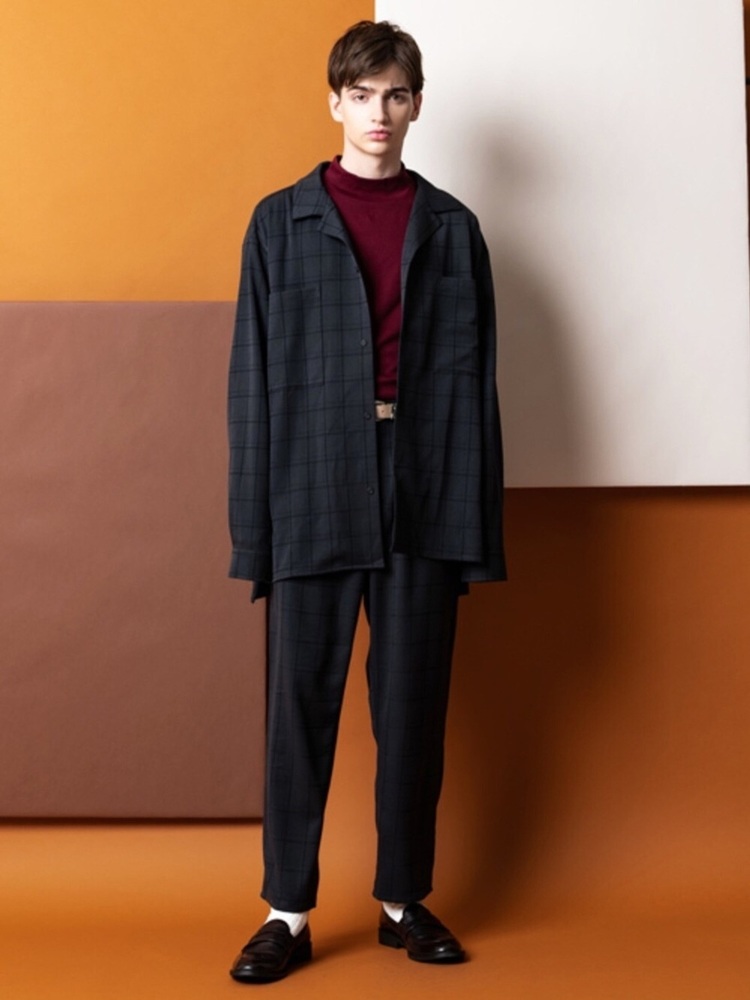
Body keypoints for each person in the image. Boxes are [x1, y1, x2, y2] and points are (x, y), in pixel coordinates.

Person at [226, 19, 505, 983]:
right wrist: (255, 532)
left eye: (395, 95)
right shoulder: (280, 222)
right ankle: (287, 912)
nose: (378, 112)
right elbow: (251, 382)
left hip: (423, 484)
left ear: (416, 105)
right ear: (335, 102)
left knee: (412, 706)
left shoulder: (454, 228)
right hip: (311, 482)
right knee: (298, 707)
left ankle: (401, 900)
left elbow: (477, 388)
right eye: (361, 95)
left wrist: (474, 533)